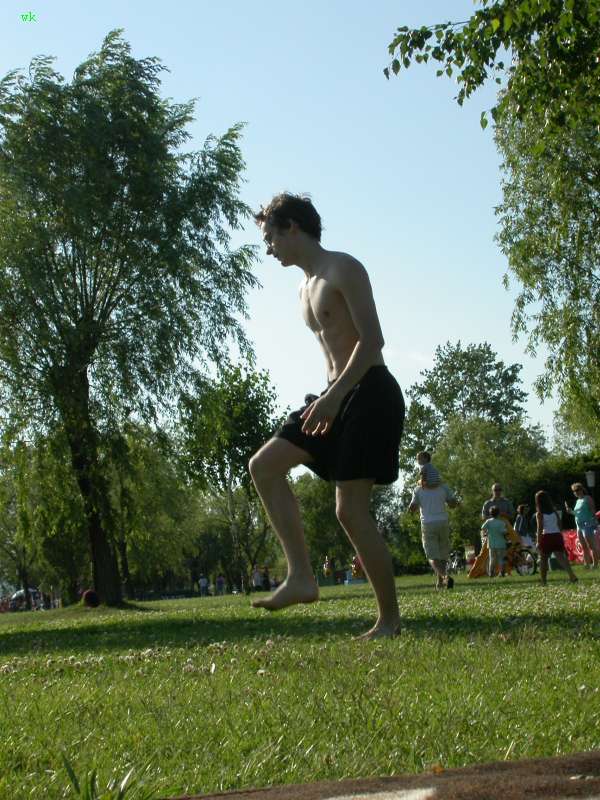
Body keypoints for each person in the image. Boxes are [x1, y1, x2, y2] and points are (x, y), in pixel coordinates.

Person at [249, 193, 405, 639]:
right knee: (264, 465)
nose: (268, 249)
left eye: (270, 237)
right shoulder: (303, 288)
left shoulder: (343, 268)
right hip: (332, 397)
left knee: (350, 511)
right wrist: (330, 397)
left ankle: (389, 621)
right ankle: (301, 576)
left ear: (292, 227)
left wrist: (335, 397)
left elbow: (372, 340)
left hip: (370, 393)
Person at [408, 481, 460, 589]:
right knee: (443, 554)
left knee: (432, 556)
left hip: (428, 524)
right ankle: (440, 582)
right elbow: (453, 504)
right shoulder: (444, 487)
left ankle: (445, 577)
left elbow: (412, 508)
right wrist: (455, 503)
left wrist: (412, 508)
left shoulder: (418, 489)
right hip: (443, 522)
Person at [535, 490, 578, 586]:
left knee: (543, 560)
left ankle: (543, 581)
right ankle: (572, 575)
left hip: (547, 537)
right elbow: (559, 524)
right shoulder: (554, 512)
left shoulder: (539, 514)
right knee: (562, 558)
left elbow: (540, 528)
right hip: (557, 536)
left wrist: (538, 541)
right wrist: (559, 534)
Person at [564, 483, 599, 569]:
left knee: (591, 545)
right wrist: (571, 512)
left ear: (582, 489)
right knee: (583, 546)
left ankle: (595, 564)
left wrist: (595, 522)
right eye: (574, 491)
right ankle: (587, 565)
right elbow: (578, 514)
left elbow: (592, 510)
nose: (576, 492)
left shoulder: (587, 498)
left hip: (587, 524)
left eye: (577, 490)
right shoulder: (577, 501)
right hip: (579, 526)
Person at [481, 506, 508, 577]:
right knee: (501, 558)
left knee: (492, 558)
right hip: (501, 543)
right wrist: (507, 538)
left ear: (490, 514)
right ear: (499, 513)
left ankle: (491, 573)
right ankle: (501, 572)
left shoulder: (488, 521)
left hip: (491, 543)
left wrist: (485, 534)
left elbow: (483, 528)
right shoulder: (501, 523)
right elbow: (504, 532)